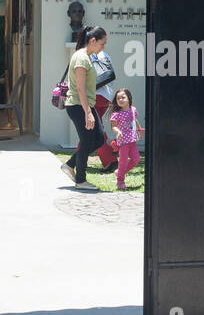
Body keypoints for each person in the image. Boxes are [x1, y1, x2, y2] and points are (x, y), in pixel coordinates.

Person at [60, 26, 108, 192]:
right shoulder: (81, 58)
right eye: (102, 44)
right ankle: (80, 180)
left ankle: (70, 165)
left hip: (85, 105)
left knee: (99, 139)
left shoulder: (86, 56)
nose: (103, 48)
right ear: (93, 41)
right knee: (87, 141)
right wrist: (88, 113)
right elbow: (80, 88)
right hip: (78, 106)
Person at [90, 45, 119, 172]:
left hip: (94, 96)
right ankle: (76, 159)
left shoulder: (89, 55)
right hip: (106, 96)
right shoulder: (105, 55)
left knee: (95, 130)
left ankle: (110, 161)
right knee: (90, 128)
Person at [108, 88, 143, 191]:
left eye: (123, 97)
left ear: (129, 98)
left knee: (136, 159)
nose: (120, 100)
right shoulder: (116, 114)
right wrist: (118, 132)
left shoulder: (133, 110)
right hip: (123, 141)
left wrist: (140, 130)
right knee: (122, 161)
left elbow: (135, 120)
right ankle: (120, 181)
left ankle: (119, 172)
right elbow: (113, 126)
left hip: (132, 140)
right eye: (118, 98)